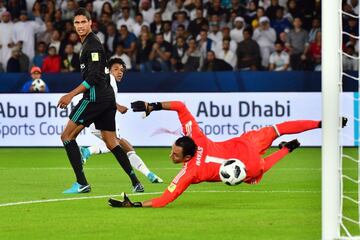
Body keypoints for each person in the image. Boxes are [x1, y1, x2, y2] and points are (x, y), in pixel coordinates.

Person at [108, 100, 348, 208]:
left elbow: (164, 200)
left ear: (188, 158)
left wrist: (137, 205)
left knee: (261, 168)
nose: (171, 156)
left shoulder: (189, 173)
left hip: (246, 165)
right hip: (245, 145)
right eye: (173, 151)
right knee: (279, 128)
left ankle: (288, 148)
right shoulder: (195, 138)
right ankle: (321, 123)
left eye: (176, 155)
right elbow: (180, 105)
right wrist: (154, 106)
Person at [57, 8, 144, 194]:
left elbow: (95, 77)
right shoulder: (89, 43)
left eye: (83, 22)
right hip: (106, 99)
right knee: (112, 142)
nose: (80, 26)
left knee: (66, 136)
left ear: (90, 23)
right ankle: (136, 182)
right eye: (76, 23)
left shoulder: (92, 45)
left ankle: (81, 183)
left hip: (94, 98)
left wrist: (70, 95)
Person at [80, 58, 163, 184]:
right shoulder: (110, 79)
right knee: (116, 145)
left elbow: (101, 96)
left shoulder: (105, 80)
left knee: (127, 147)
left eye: (122, 70)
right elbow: (106, 98)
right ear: (109, 70)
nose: (120, 72)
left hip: (97, 118)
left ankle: (150, 175)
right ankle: (88, 151)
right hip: (102, 119)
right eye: (116, 69)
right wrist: (119, 107)